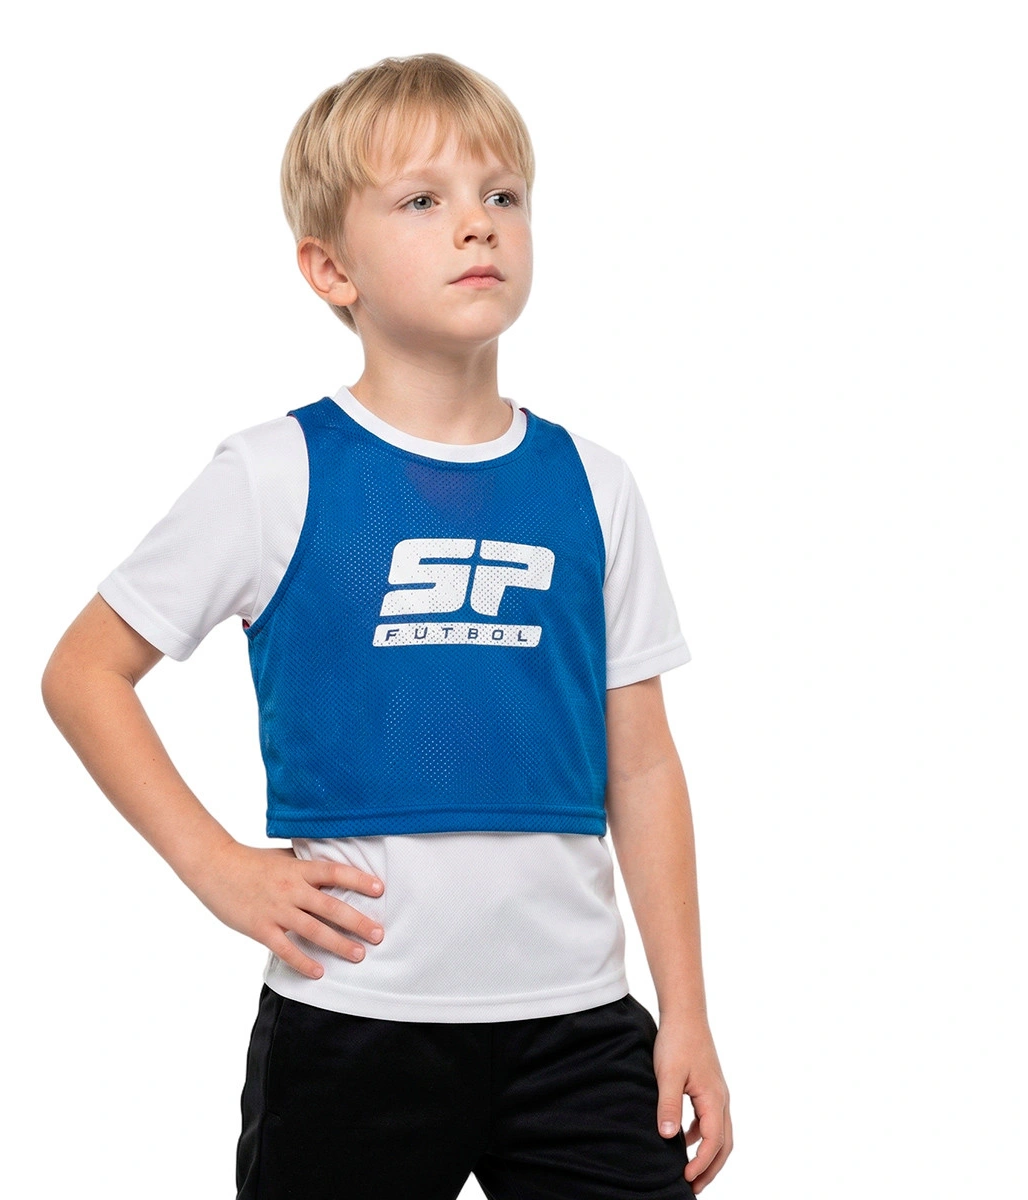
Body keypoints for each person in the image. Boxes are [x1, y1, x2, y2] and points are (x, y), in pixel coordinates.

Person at [42, 52, 732, 1200]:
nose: (477, 223)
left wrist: (688, 1010)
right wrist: (217, 868)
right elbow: (83, 674)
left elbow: (644, 764)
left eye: (501, 195)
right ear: (331, 269)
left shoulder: (594, 484)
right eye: (422, 200)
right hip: (351, 1025)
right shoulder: (274, 475)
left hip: (580, 1028)